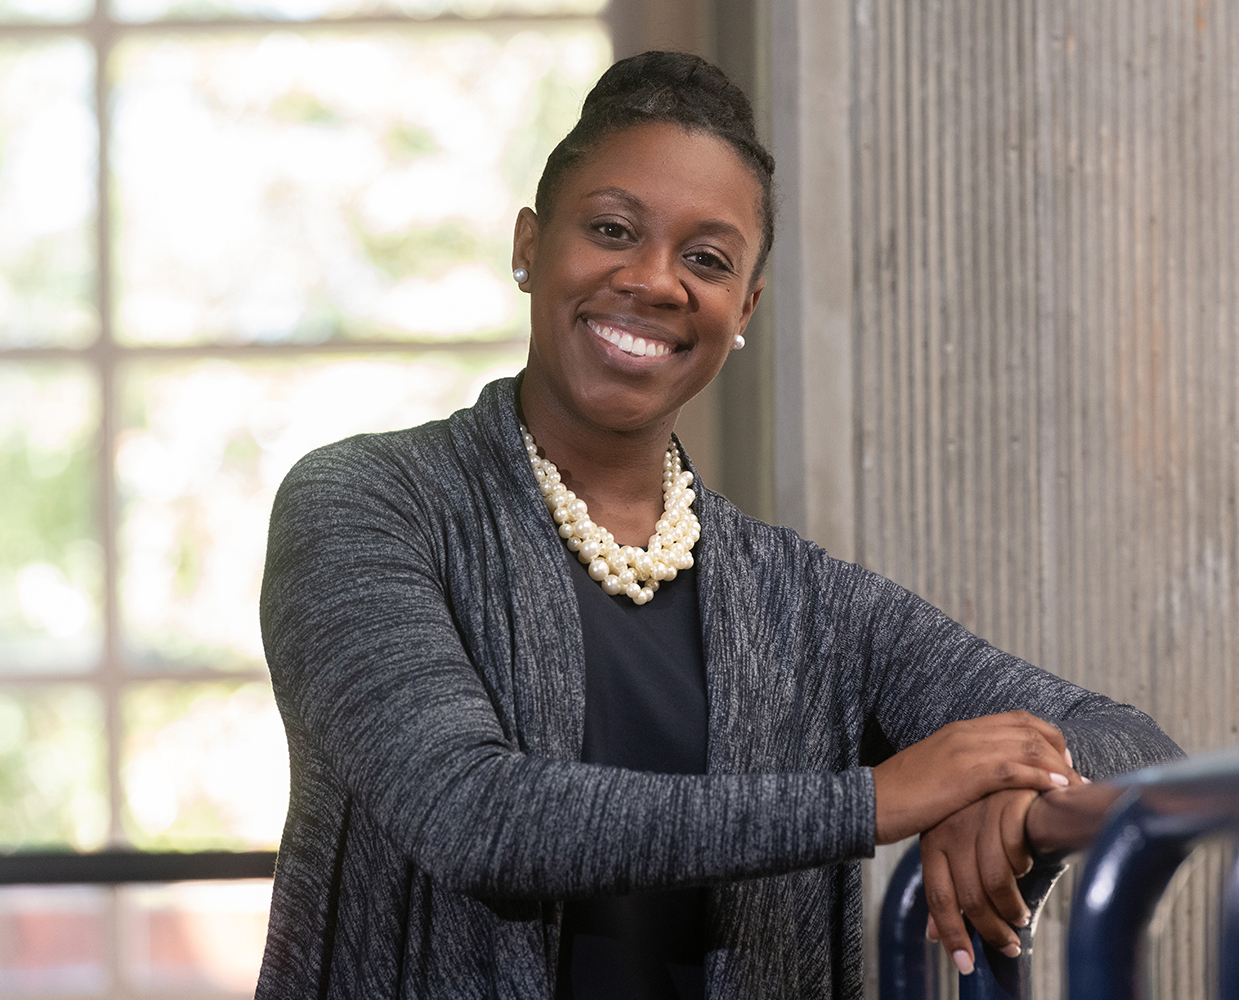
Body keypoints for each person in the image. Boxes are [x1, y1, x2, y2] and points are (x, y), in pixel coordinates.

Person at [255, 51, 1181, 1000]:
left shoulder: (804, 602)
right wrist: (878, 801)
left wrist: (1015, 803)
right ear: (530, 246)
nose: (655, 281)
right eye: (612, 229)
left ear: (746, 305)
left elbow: (1132, 743)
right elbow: (472, 813)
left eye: (707, 259)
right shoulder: (365, 505)